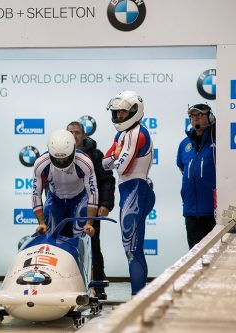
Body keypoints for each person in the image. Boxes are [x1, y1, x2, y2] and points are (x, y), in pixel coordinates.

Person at [102, 90, 155, 296]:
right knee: (131, 250)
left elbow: (121, 168)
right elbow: (106, 163)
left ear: (134, 111)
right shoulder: (121, 134)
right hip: (129, 192)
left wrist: (116, 156)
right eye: (117, 112)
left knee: (133, 250)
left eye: (123, 113)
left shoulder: (138, 133)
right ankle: (138, 296)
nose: (119, 116)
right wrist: (116, 156)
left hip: (137, 191)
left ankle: (137, 298)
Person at [67, 121, 115, 300]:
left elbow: (107, 180)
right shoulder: (58, 154)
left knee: (93, 246)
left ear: (84, 135)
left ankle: (98, 284)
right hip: (65, 208)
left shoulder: (95, 154)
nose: (73, 135)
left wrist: (105, 203)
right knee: (64, 245)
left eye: (77, 132)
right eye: (70, 132)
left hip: (89, 208)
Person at [32, 129, 97, 238]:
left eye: (65, 158)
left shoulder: (85, 162)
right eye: (57, 158)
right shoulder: (41, 164)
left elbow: (93, 193)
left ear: (73, 151)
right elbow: (36, 194)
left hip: (79, 199)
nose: (61, 162)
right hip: (55, 200)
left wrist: (89, 223)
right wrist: (41, 223)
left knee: (81, 233)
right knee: (49, 234)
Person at [176, 103, 216, 249]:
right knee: (194, 257)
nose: (195, 119)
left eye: (199, 115)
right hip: (191, 212)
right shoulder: (184, 144)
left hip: (213, 212)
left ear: (209, 117)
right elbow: (181, 166)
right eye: (192, 116)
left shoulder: (218, 140)